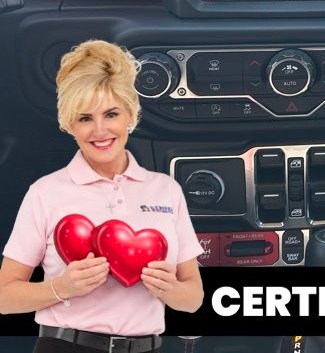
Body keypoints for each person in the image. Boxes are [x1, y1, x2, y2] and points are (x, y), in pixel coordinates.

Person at [0, 40, 204, 352]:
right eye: (85, 118)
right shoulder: (45, 193)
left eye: (111, 114)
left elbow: (193, 299)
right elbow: (4, 297)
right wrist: (61, 287)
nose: (100, 130)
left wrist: (169, 289)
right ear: (70, 124)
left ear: (130, 115)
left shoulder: (166, 190)